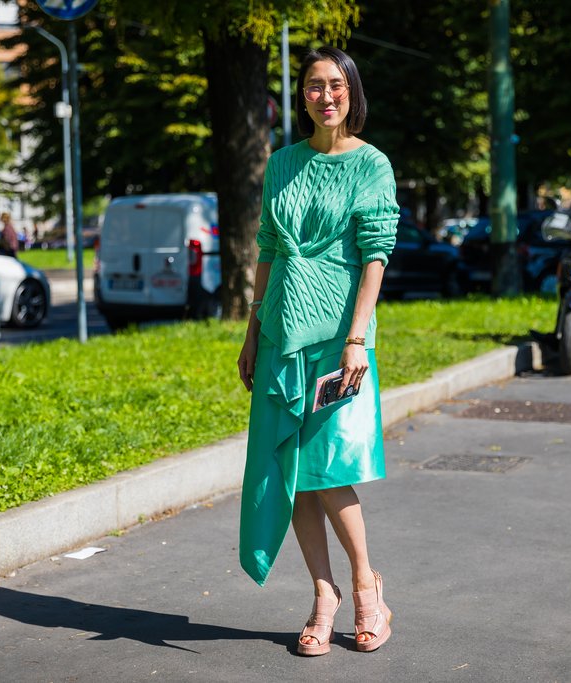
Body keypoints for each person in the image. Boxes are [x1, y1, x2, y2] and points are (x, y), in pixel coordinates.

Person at [236, 46, 398, 656]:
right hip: (281, 333)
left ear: (351, 93)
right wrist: (252, 331)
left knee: (330, 469)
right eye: (312, 86)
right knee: (294, 473)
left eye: (335, 85)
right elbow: (269, 251)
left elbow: (375, 256)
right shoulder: (281, 164)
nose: (325, 95)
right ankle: (323, 593)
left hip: (338, 337)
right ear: (300, 95)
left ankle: (366, 585)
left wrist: (358, 338)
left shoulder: (372, 165)